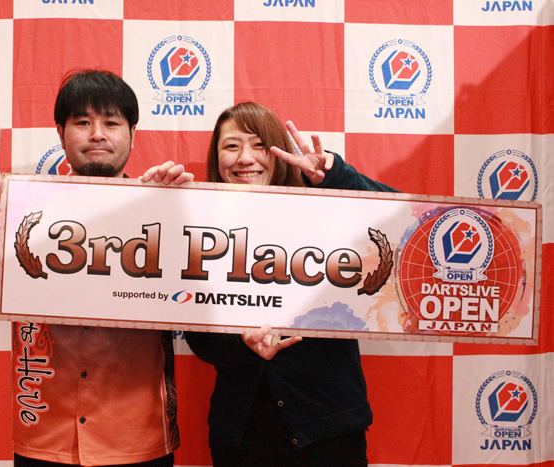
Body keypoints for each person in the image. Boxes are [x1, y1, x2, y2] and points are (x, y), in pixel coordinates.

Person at [0, 69, 192, 467]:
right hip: (44, 431)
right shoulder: (28, 208)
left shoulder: (163, 205)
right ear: (61, 133)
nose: (97, 134)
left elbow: (202, 302)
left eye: (111, 123)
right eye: (82, 122)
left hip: (138, 435)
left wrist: (185, 212)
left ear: (132, 133)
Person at [145, 102, 398, 467]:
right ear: (217, 159)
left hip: (329, 429)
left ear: (279, 153)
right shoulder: (200, 228)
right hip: (241, 433)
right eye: (232, 146)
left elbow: (405, 222)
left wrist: (335, 175)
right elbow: (199, 338)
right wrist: (242, 343)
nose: (245, 158)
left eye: (259, 145)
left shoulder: (325, 208)